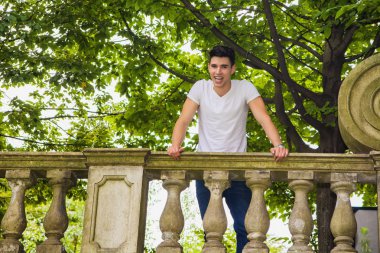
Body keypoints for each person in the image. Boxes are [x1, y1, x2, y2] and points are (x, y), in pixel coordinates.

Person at [167, 45, 289, 253]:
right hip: (205, 169)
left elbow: (263, 117)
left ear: (232, 69)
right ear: (208, 67)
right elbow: (184, 119)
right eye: (214, 66)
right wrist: (175, 144)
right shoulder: (200, 88)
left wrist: (277, 145)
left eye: (224, 67)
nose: (218, 72)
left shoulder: (245, 88)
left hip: (237, 170)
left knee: (244, 226)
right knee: (211, 230)